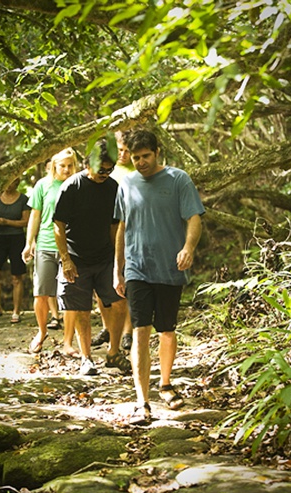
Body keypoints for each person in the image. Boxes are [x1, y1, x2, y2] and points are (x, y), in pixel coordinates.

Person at [114, 129, 205, 424]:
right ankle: (142, 401)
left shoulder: (178, 180)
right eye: (135, 157)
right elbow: (121, 228)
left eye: (146, 156)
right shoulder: (125, 184)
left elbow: (193, 218)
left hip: (170, 267)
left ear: (157, 152)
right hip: (137, 267)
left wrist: (188, 247)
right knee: (141, 329)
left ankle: (165, 383)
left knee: (166, 330)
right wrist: (119, 269)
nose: (140, 162)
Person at [52, 141, 130, 376]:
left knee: (119, 302)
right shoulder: (72, 187)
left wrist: (119, 260)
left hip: (105, 256)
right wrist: (65, 259)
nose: (105, 174)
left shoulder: (113, 188)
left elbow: (116, 226)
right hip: (76, 257)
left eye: (110, 169)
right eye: (101, 169)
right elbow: (58, 225)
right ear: (88, 164)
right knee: (80, 309)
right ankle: (86, 358)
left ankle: (114, 352)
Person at [23, 149, 76, 354]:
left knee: (71, 296)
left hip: (70, 247)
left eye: (70, 165)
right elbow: (35, 216)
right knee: (41, 295)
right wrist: (29, 243)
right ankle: (42, 331)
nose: (66, 169)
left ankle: (68, 342)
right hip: (45, 244)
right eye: (62, 165)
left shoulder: (77, 185)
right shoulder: (42, 185)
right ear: (54, 166)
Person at [93, 130, 136, 351]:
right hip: (102, 229)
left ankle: (127, 331)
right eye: (120, 150)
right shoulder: (108, 168)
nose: (123, 155)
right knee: (102, 285)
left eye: (128, 151)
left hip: (128, 230)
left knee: (124, 284)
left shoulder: (137, 170)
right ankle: (107, 327)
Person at [0, 178, 30, 323]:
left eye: (12, 182)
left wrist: (7, 222)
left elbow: (26, 222)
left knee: (16, 277)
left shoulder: (23, 199)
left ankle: (16, 311)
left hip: (16, 239)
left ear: (17, 183)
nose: (9, 185)